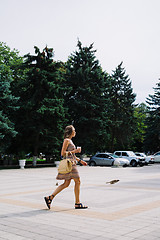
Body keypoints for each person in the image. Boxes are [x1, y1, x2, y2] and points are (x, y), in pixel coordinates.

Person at [44, 125, 88, 209]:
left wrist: (80, 161)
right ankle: (77, 203)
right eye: (74, 130)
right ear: (70, 132)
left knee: (66, 184)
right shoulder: (66, 140)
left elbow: (72, 155)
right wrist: (75, 151)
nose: (75, 132)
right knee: (77, 181)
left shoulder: (70, 141)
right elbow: (62, 154)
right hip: (70, 164)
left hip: (72, 163)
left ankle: (50, 198)